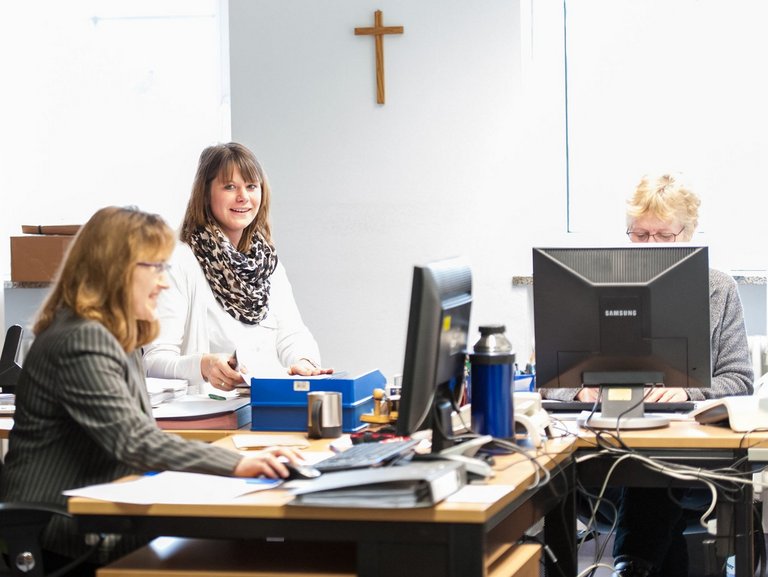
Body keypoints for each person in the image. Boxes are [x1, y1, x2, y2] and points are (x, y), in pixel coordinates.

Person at [0, 206, 302, 575]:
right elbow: (136, 442)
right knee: (238, 550)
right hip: (62, 524)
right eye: (155, 268)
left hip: (98, 505)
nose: (163, 282)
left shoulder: (112, 337)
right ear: (117, 268)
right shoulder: (82, 339)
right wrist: (238, 463)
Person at [544, 172, 753, 577]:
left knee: (653, 471)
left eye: (663, 236)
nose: (650, 246)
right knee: (645, 484)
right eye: (640, 235)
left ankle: (631, 564)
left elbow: (739, 379)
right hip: (601, 450)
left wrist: (688, 393)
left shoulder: (718, 288)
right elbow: (555, 373)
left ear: (688, 233)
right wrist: (580, 392)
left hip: (689, 459)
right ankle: (635, 565)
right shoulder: (593, 282)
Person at [143, 142, 331, 394]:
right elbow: (153, 362)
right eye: (230, 186)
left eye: (251, 186)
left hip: (263, 407)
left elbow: (292, 334)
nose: (243, 197)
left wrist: (304, 362)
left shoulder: (266, 263)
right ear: (205, 193)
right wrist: (203, 366)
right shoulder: (177, 261)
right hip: (205, 420)